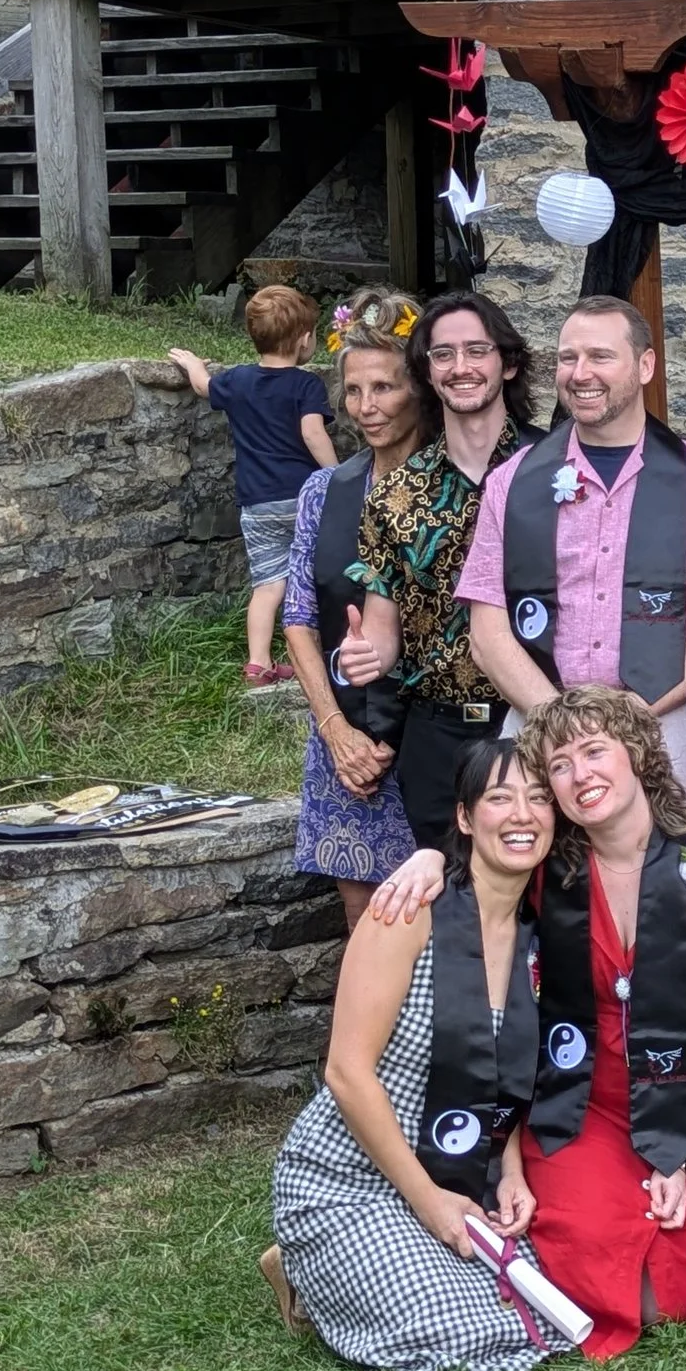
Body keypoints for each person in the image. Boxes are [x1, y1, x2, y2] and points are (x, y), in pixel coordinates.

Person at [372, 683, 686, 1358]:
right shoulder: (548, 869)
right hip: (578, 1108)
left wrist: (678, 1151)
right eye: (559, 764)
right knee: (603, 1264)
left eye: (593, 750)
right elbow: (474, 864)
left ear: (635, 751)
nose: (580, 774)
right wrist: (429, 854)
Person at [263, 741, 570, 1371]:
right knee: (451, 1329)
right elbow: (346, 1073)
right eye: (500, 797)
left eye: (539, 798)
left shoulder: (537, 939)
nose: (523, 814)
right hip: (352, 1179)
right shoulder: (408, 912)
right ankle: (301, 1259)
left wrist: (508, 1169)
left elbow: (501, 1071)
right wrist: (428, 1201)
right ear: (463, 818)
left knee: (534, 1313)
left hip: (456, 1171)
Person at [456, 296, 686, 800]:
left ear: (645, 364)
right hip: (538, 715)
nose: (580, 373)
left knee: (663, 874)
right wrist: (560, 720)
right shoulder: (512, 482)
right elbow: (488, 632)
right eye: (568, 358)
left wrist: (627, 718)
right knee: (538, 873)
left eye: (600, 356)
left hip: (660, 721)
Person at [336, 289, 543, 851]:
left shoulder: (553, 472)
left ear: (509, 362)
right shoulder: (394, 495)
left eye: (477, 351)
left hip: (531, 721)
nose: (461, 367)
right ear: (427, 372)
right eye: (443, 354)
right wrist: (367, 654)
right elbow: (383, 628)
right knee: (450, 906)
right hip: (437, 734)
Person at [281, 307, 419, 927]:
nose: (368, 405)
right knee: (363, 912)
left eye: (384, 387)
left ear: (418, 386)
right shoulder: (326, 491)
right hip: (345, 736)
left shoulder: (460, 487)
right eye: (355, 390)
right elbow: (299, 616)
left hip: (427, 732)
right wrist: (336, 731)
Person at [170, 283, 337, 686]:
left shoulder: (238, 381)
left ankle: (258, 663)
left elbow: (202, 386)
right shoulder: (306, 385)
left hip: (257, 504)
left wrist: (194, 363)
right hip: (301, 499)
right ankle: (312, 659)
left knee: (267, 584)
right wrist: (338, 475)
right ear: (303, 340)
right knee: (312, 576)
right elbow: (313, 434)